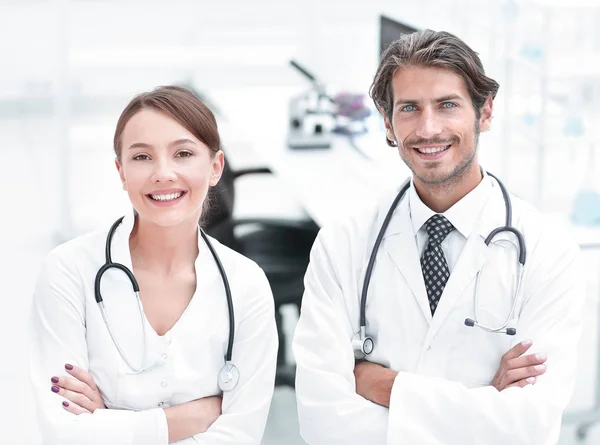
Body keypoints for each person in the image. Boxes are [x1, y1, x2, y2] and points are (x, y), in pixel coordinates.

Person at [292, 30, 585, 445]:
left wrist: (380, 385)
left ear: (484, 113)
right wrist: (483, 401)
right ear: (388, 123)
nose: (428, 129)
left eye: (447, 105)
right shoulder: (342, 244)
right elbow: (323, 424)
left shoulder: (547, 252)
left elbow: (529, 427)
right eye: (409, 108)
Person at [28, 86, 278, 445]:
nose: (163, 173)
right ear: (121, 171)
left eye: (183, 153)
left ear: (215, 168)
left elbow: (240, 435)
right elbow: (63, 433)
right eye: (142, 157)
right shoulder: (68, 272)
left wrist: (110, 421)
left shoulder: (246, 286)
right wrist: (195, 416)